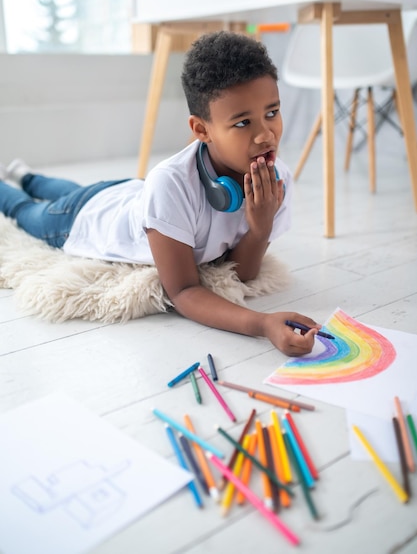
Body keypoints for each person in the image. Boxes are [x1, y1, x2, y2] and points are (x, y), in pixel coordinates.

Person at [0, 31, 321, 355]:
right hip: (82, 219)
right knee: (28, 212)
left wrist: (260, 226)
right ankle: (13, 182)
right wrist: (262, 324)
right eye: (242, 123)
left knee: (73, 190)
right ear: (201, 130)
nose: (266, 135)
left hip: (126, 192)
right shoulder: (171, 185)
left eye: (271, 112)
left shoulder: (277, 178)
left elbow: (242, 274)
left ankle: (24, 174)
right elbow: (183, 290)